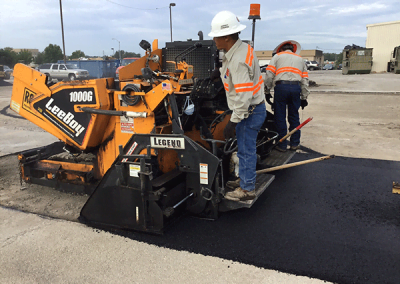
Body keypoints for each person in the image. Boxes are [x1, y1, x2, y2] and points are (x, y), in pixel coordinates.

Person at [209, 11, 266, 201]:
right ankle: (244, 179)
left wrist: (232, 123)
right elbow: (234, 73)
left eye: (216, 36)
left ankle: (247, 189)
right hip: (252, 109)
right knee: (243, 148)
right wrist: (220, 72)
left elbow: (243, 97)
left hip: (249, 111)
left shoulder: (239, 60)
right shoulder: (240, 50)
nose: (214, 40)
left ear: (226, 36)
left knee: (246, 149)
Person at [265, 40, 309, 152]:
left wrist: (267, 91)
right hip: (296, 88)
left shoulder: (277, 57)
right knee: (294, 117)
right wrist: (304, 97)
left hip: (281, 88)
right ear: (293, 49)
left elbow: (269, 75)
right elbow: (304, 80)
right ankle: (294, 144)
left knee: (280, 117)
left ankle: (282, 145)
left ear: (280, 49)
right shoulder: (300, 59)